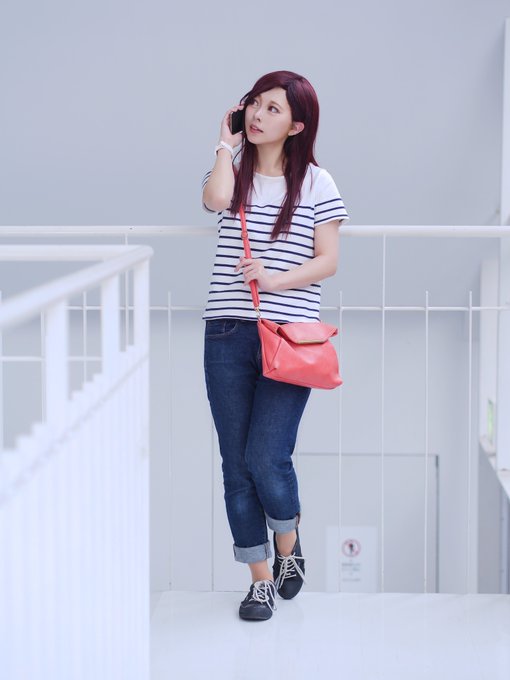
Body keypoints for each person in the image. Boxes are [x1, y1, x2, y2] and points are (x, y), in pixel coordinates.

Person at [201, 70, 349, 621]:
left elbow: (328, 261)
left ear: (297, 125)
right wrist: (225, 144)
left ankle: (288, 540)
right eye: (255, 104)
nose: (259, 115)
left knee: (266, 456)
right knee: (235, 465)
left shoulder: (316, 182)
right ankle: (259, 580)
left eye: (273, 109)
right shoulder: (233, 173)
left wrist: (273, 278)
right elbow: (214, 199)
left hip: (290, 335)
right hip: (227, 331)